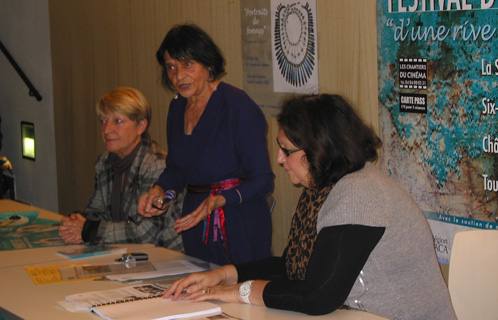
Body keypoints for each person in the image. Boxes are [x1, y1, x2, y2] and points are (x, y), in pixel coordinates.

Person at [162, 94, 457, 320]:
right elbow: (292, 268)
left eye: (286, 151)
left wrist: (236, 293)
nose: (278, 159)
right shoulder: (322, 188)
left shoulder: (358, 192)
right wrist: (224, 275)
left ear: (319, 150)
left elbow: (317, 296)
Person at [138, 24, 273, 266]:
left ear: (207, 63)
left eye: (187, 64)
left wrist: (222, 199)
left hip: (238, 221)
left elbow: (263, 180)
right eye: (171, 67)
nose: (179, 76)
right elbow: (177, 172)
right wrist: (161, 193)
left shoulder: (236, 105)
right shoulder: (177, 106)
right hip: (195, 221)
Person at [58, 87, 183, 251]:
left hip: (168, 258)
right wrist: (76, 222)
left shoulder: (158, 166)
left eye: (117, 121)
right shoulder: (104, 162)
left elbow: (146, 233)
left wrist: (89, 230)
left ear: (141, 125)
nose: (106, 130)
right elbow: (97, 211)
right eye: (103, 121)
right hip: (127, 255)